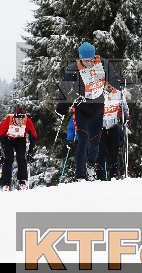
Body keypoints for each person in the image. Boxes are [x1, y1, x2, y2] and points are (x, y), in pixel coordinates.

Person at [55, 41, 120, 181]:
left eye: (91, 60)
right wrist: (61, 108)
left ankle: (91, 165)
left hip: (98, 108)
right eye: (86, 61)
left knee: (95, 143)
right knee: (83, 140)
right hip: (81, 109)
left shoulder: (103, 64)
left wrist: (112, 87)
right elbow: (64, 90)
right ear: (80, 59)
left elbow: (114, 80)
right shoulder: (73, 69)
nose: (89, 63)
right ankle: (80, 175)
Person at [0, 103, 38, 191]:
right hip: (7, 139)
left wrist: (30, 152)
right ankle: (6, 183)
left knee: (21, 158)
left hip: (20, 139)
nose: (20, 121)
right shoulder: (7, 122)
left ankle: (22, 181)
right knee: (9, 159)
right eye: (18, 119)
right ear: (14, 118)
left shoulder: (27, 121)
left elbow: (34, 137)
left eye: (22, 119)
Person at [96, 84, 129, 180]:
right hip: (101, 128)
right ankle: (99, 177)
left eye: (110, 84)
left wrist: (126, 117)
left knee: (114, 153)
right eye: (107, 84)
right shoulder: (98, 94)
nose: (109, 86)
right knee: (100, 154)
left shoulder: (119, 94)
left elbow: (125, 109)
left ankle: (113, 176)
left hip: (113, 127)